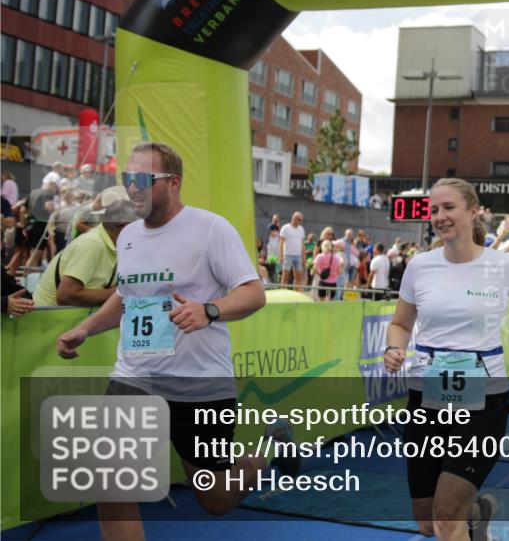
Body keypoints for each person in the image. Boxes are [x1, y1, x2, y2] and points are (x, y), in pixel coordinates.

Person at [55, 142, 289, 541]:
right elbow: (127, 296)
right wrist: (87, 328)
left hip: (198, 385)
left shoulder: (211, 229)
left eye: (142, 179)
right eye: (127, 178)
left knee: (216, 499)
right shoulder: (128, 236)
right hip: (134, 377)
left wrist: (209, 310)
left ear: (174, 182)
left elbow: (253, 293)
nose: (133, 187)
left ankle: (270, 447)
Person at [383, 178, 509, 541]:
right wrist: (393, 349)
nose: (440, 216)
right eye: (434, 209)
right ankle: (478, 517)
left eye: (449, 207)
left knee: (447, 516)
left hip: (483, 402)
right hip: (426, 399)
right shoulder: (420, 266)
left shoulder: (503, 266)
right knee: (426, 520)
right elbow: (400, 324)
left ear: (473, 211)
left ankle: (465, 517)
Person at [33, 187, 135, 307]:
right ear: (123, 225)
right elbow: (66, 296)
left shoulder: (113, 245)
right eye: (140, 223)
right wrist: (120, 293)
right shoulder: (92, 244)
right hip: (52, 318)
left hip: (72, 317)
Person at [279, 211, 306, 291]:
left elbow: (302, 244)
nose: (300, 222)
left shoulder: (301, 229)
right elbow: (281, 242)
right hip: (287, 255)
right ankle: (282, 292)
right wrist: (281, 255)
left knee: (298, 276)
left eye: (301, 220)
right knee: (285, 276)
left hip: (298, 255)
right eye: (299, 220)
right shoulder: (285, 228)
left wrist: (304, 257)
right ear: (294, 218)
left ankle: (296, 293)